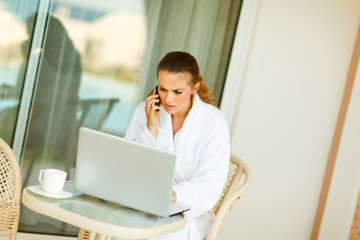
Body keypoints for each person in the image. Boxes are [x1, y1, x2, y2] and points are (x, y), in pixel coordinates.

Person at [124, 51, 230, 240]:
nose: (168, 99)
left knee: (158, 235)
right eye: (162, 89)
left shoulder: (214, 122)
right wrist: (151, 128)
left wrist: (170, 195)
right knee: (120, 226)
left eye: (177, 92)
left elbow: (210, 183)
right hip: (142, 200)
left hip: (188, 211)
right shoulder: (146, 110)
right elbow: (129, 164)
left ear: (194, 87)